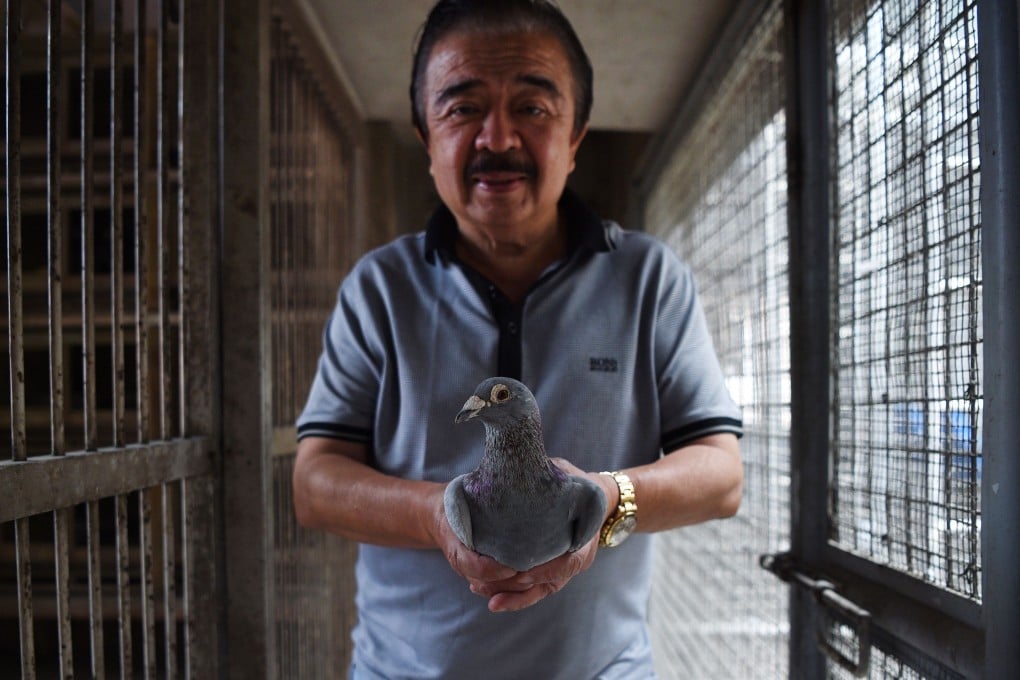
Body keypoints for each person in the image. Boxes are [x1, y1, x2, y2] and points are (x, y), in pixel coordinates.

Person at [292, 1, 744, 677]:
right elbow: (314, 483)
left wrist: (603, 500)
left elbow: (722, 474)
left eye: (532, 108)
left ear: (576, 135)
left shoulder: (649, 279)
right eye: (462, 107)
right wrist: (440, 517)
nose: (497, 138)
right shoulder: (379, 288)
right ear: (425, 138)